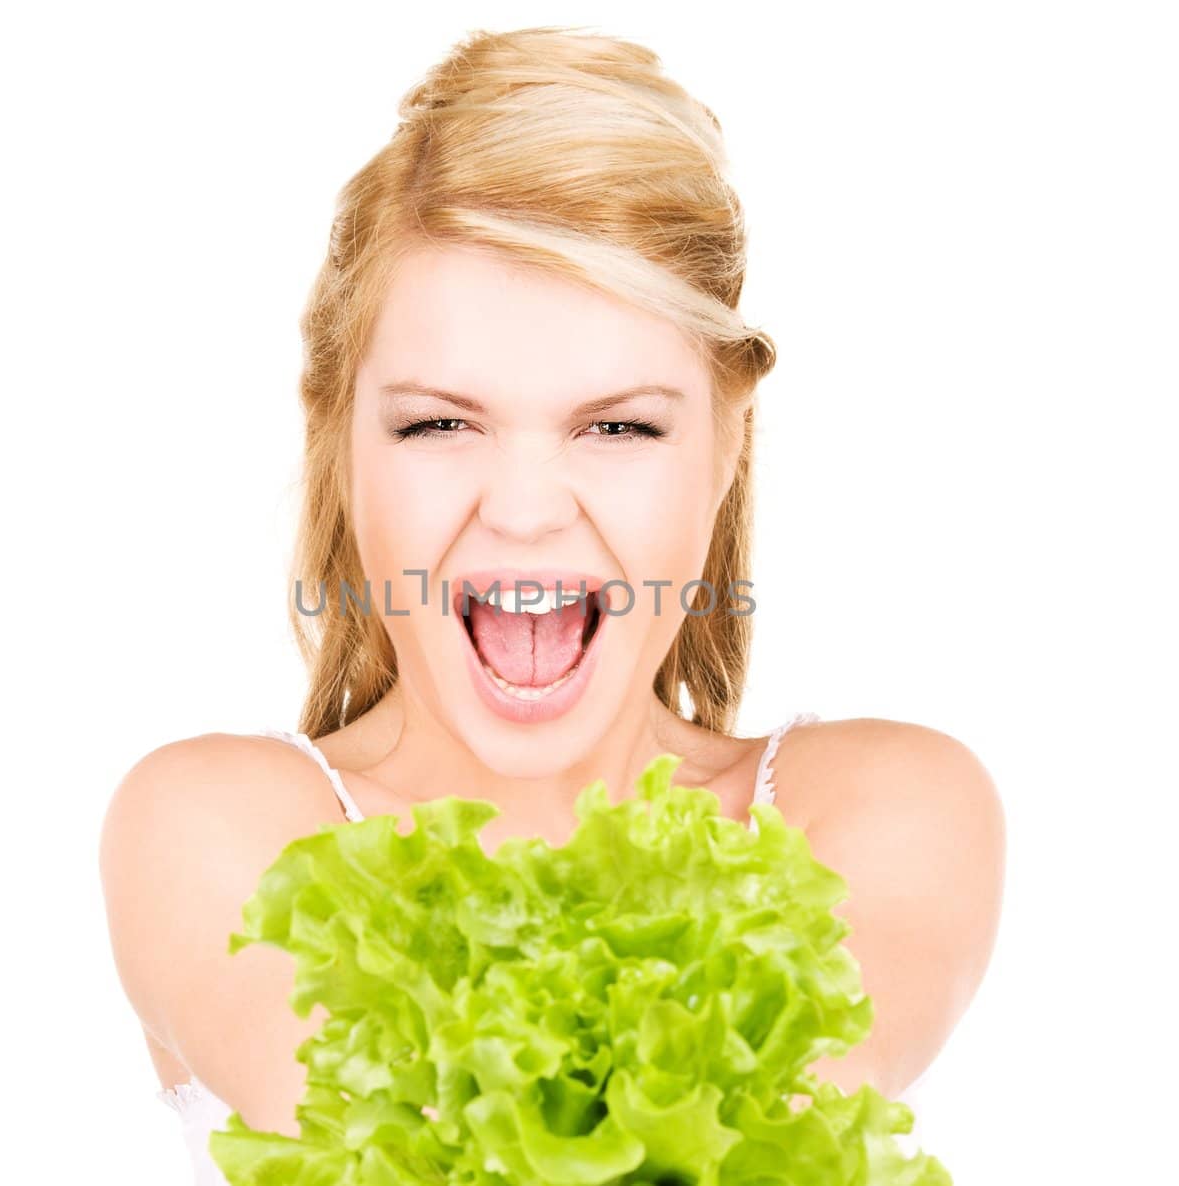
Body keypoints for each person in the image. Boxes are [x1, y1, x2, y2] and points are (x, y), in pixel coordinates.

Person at [99, 25, 1005, 1184]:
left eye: (618, 425)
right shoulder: (219, 829)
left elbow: (751, 1138)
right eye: (439, 423)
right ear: (341, 443)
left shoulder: (883, 810)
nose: (525, 511)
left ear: (726, 442)